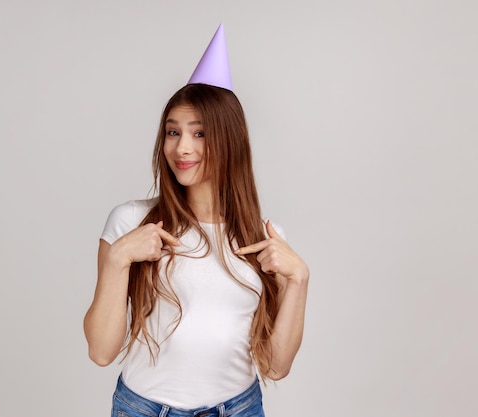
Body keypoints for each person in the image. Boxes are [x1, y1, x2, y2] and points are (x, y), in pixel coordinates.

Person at [83, 24, 309, 417]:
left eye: (199, 133)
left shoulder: (264, 238)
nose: (182, 148)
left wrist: (298, 280)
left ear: (229, 140)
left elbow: (276, 366)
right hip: (144, 409)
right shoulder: (131, 221)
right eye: (173, 132)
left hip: (239, 409)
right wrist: (120, 258)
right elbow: (101, 351)